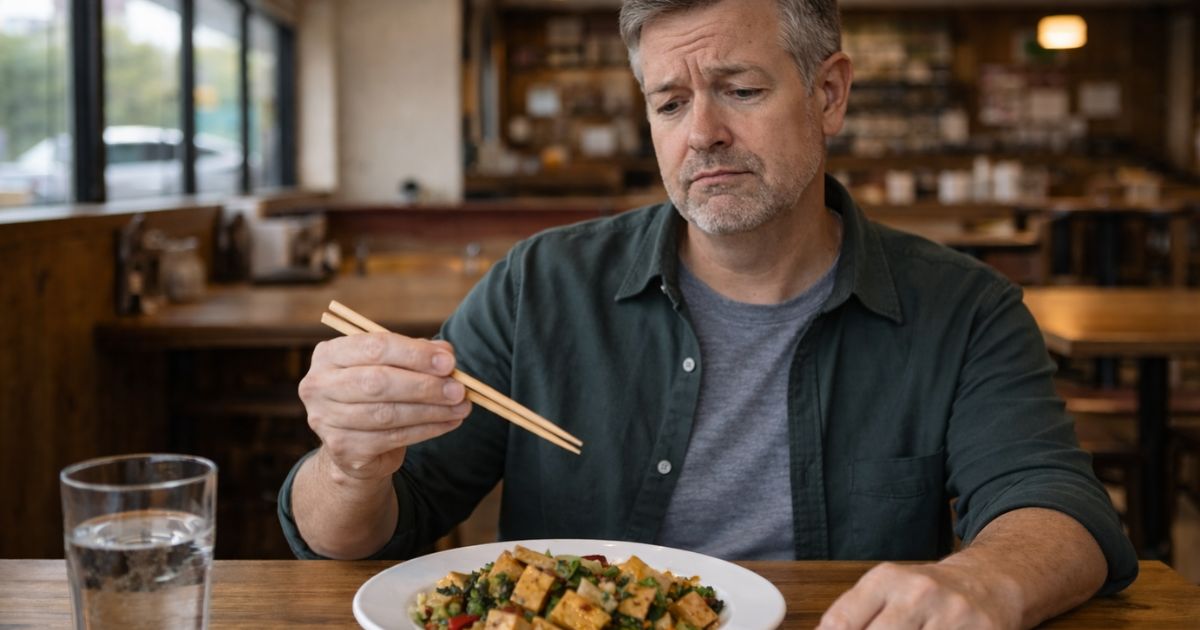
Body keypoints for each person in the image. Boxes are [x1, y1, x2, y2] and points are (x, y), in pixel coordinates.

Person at [280, 0, 1137, 626]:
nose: (702, 133)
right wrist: (351, 466)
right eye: (669, 103)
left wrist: (985, 578)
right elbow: (362, 536)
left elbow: (1055, 503)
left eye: (741, 89)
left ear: (830, 94)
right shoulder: (541, 286)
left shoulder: (963, 308)